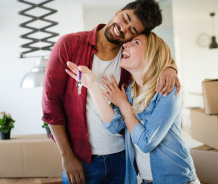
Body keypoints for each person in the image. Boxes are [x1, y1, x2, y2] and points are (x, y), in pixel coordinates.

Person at [42, 0, 180, 184]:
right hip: (81, 159)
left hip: (123, 159)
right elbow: (50, 103)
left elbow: (156, 55)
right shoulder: (69, 44)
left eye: (132, 31)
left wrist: (171, 67)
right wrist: (66, 156)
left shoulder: (128, 59)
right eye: (125, 18)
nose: (123, 28)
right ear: (119, 11)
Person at [66, 32, 199, 184]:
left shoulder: (168, 90)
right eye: (127, 43)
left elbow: (146, 142)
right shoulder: (129, 91)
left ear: (152, 54)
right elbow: (114, 125)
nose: (125, 45)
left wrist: (124, 106)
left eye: (136, 43)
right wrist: (93, 86)